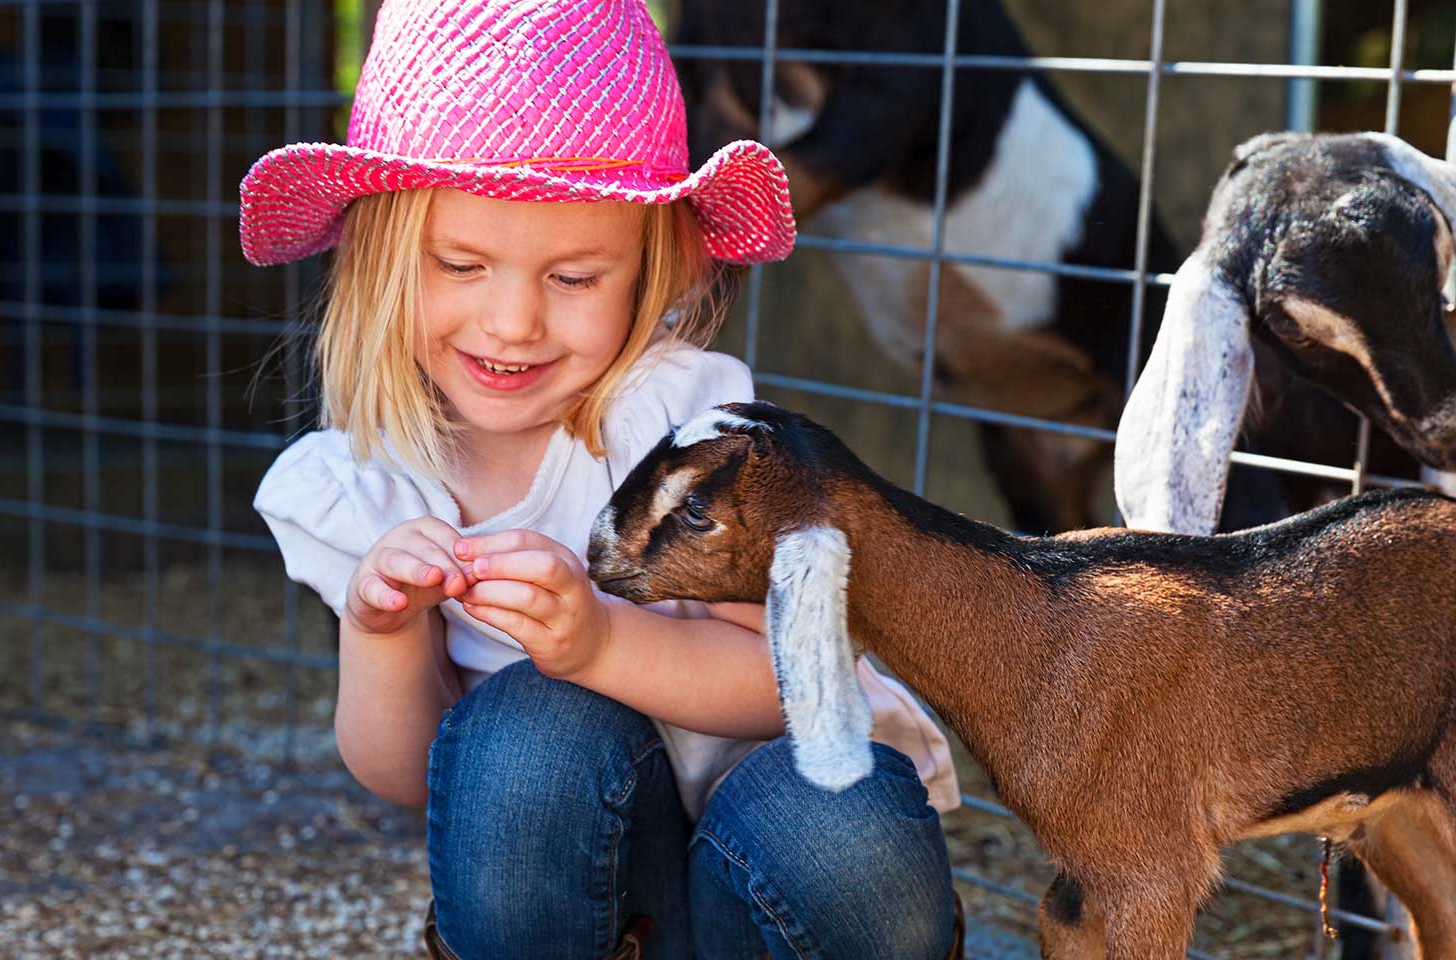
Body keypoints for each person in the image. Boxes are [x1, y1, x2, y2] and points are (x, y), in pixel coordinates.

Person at [240, 1, 962, 957]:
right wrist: (384, 631)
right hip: (594, 891)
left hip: (778, 864)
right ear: (379, 261)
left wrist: (600, 643)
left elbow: (798, 681)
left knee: (833, 803)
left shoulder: (682, 428)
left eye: (573, 278)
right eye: (461, 263)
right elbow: (409, 774)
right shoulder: (365, 482)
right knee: (525, 736)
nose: (511, 324)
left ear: (647, 270)